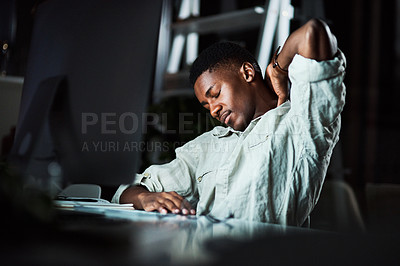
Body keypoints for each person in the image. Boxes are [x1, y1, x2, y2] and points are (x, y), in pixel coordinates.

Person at [111, 18, 346, 226]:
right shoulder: (206, 147)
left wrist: (278, 69)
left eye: (215, 94)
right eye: (206, 106)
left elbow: (312, 33)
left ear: (246, 73)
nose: (213, 110)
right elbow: (127, 189)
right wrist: (144, 198)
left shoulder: (301, 122)